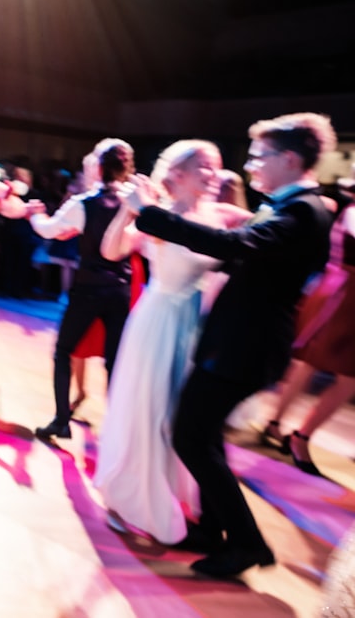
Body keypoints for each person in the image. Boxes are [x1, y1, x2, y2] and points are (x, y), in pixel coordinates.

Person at [122, 112, 336, 578]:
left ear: (291, 158)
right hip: (238, 339)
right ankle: (215, 529)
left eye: (260, 156)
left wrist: (151, 215)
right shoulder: (293, 205)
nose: (252, 166)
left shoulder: (303, 211)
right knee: (203, 435)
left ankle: (246, 543)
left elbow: (234, 246)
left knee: (190, 436)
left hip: (247, 345)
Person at [93, 139, 248, 545]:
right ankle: (131, 498)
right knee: (152, 409)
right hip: (159, 323)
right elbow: (111, 250)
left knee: (186, 416)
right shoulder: (156, 217)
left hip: (200, 326)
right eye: (205, 167)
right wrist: (131, 207)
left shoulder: (221, 214)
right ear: (177, 174)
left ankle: (179, 493)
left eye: (217, 167)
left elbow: (270, 227)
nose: (215, 175)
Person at [29, 139, 135, 439]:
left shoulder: (85, 202)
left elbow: (49, 230)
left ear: (99, 167)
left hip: (89, 288)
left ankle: (62, 420)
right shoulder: (135, 201)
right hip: (121, 289)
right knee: (115, 360)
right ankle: (117, 428)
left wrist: (34, 214)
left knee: (64, 351)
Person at [259, 176, 355, 477]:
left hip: (345, 294)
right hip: (342, 295)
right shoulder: (353, 211)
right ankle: (284, 427)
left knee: (339, 374)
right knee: (313, 365)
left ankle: (294, 431)